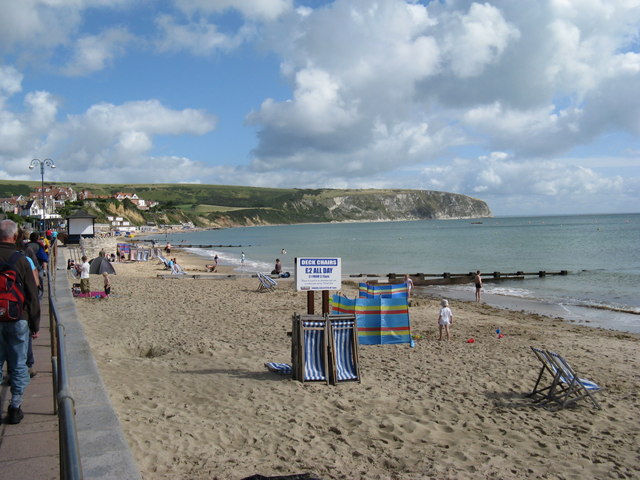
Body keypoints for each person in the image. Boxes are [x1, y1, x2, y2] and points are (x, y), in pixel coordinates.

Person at [0, 219, 41, 424]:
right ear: (15, 237)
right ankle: (15, 407)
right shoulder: (21, 260)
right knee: (18, 364)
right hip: (18, 318)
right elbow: (33, 296)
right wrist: (35, 326)